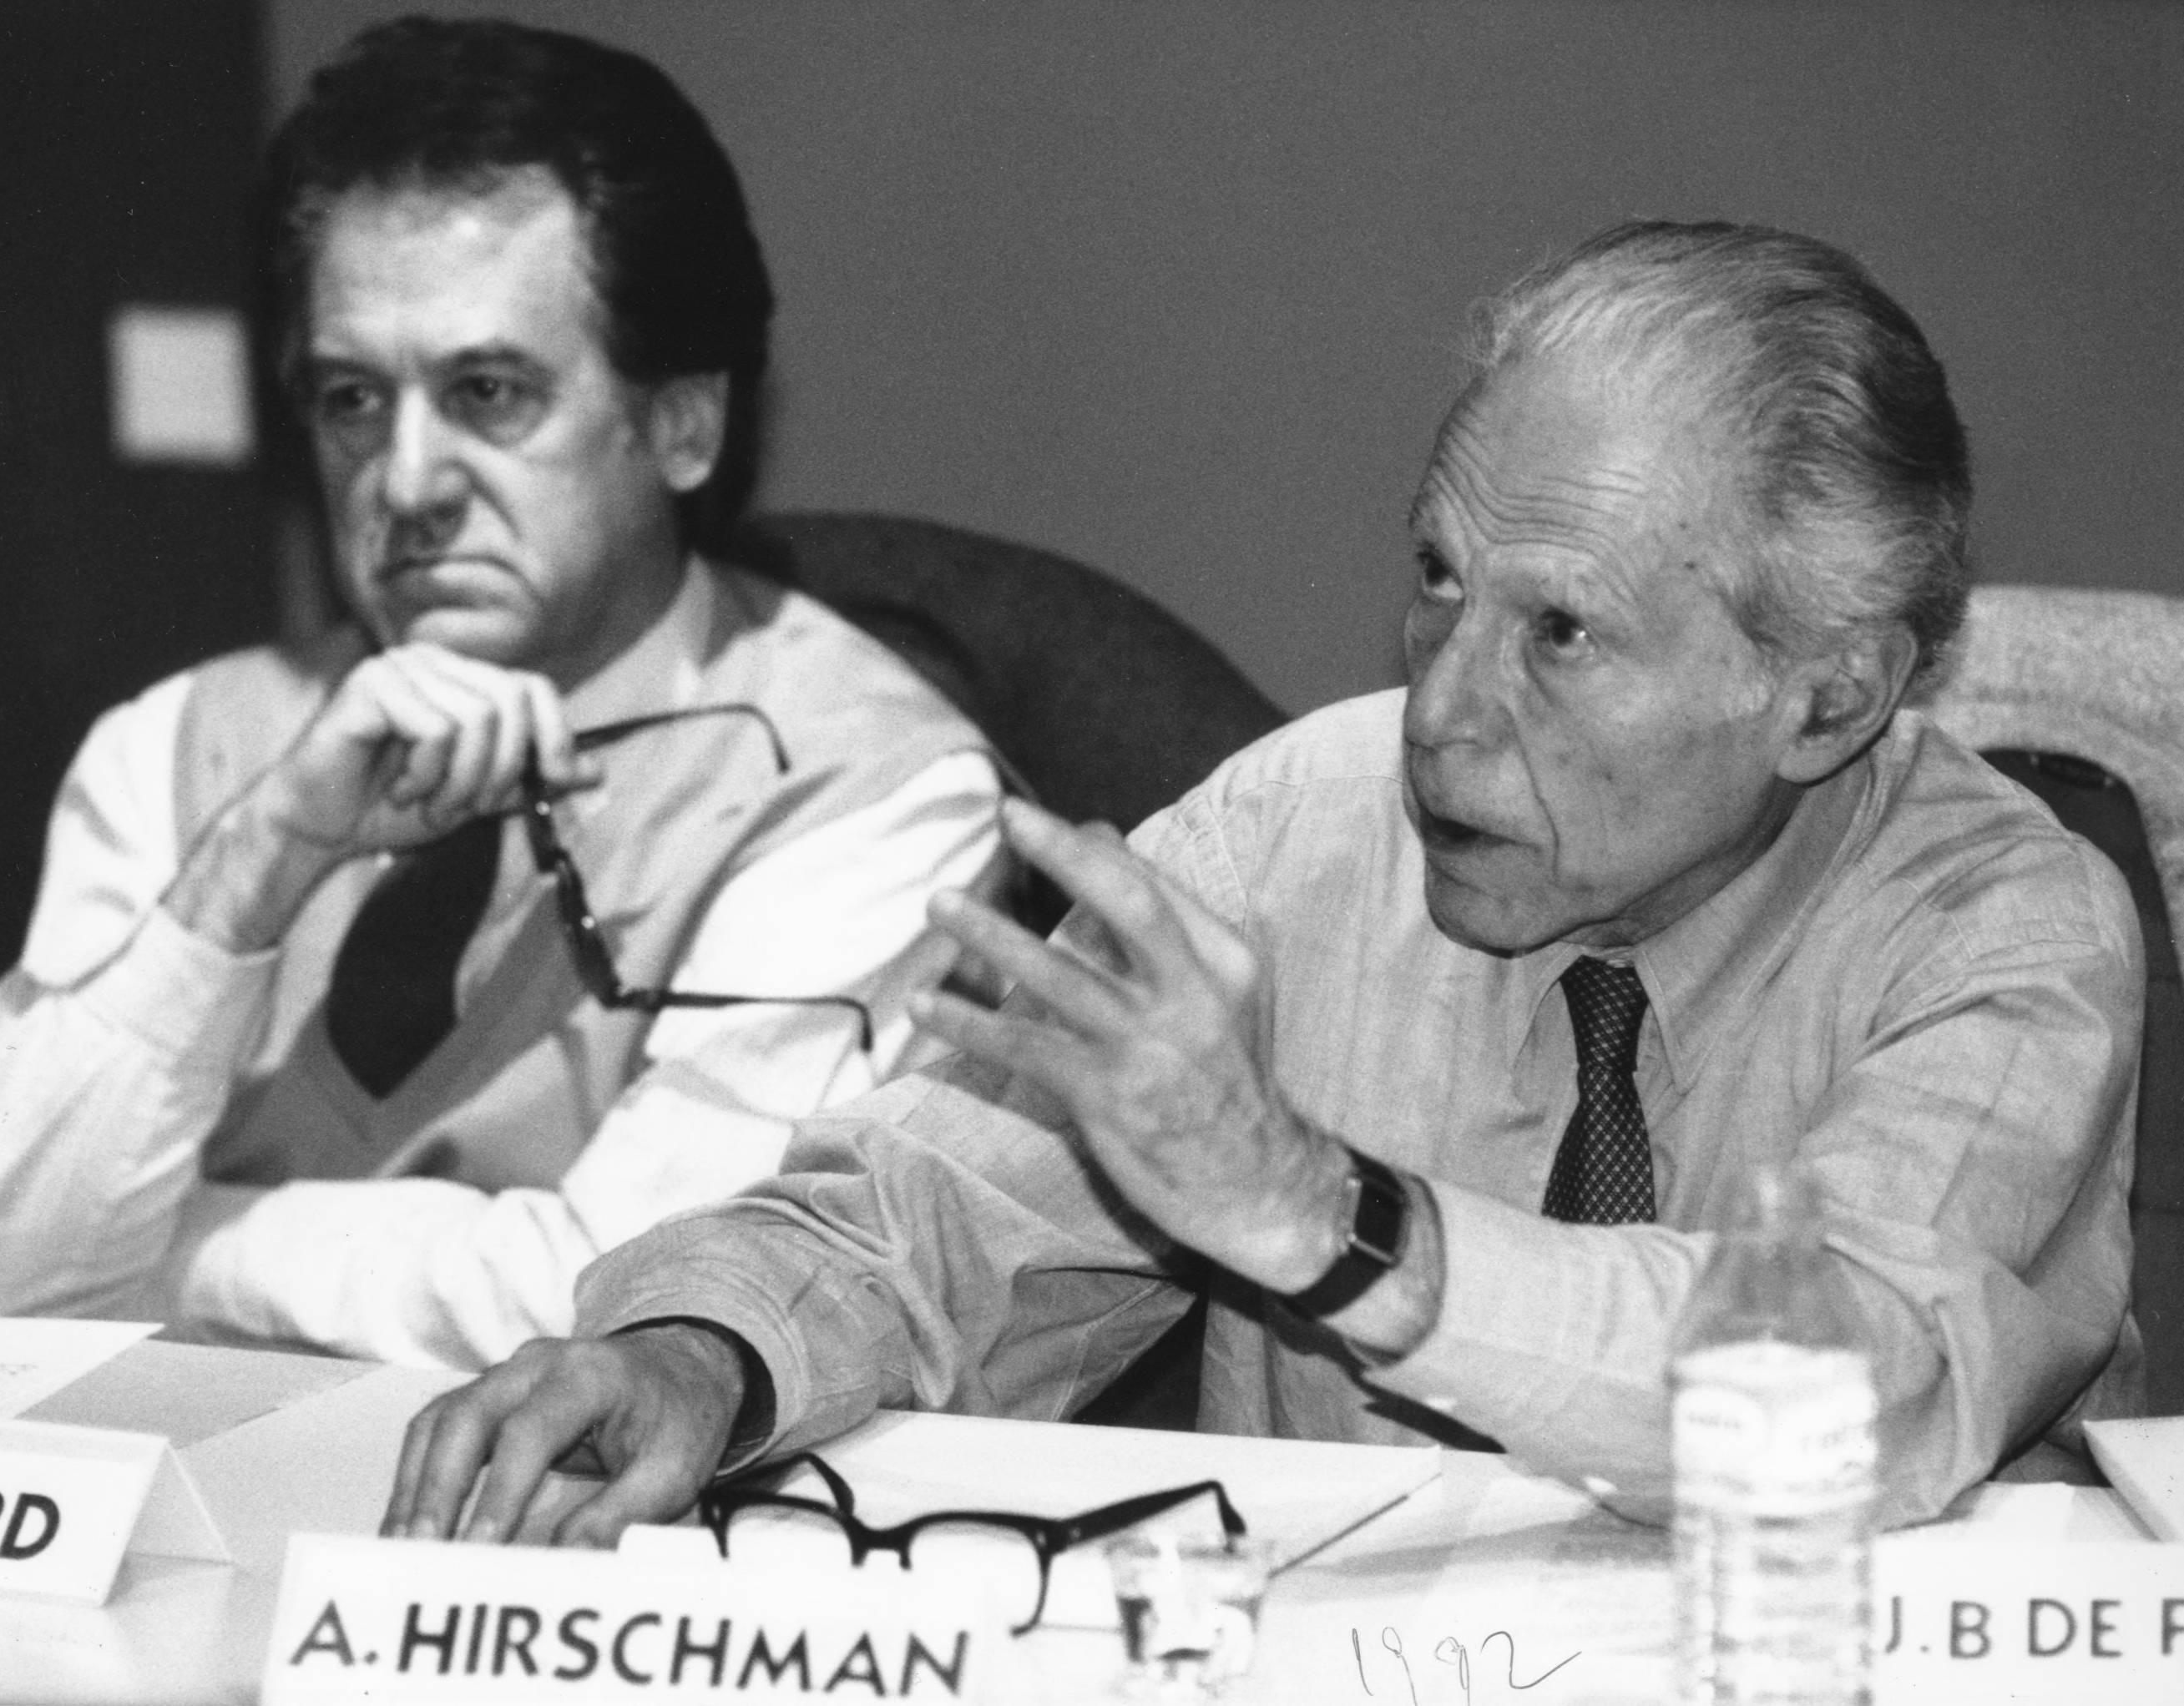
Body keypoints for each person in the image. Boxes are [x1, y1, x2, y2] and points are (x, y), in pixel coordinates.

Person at [384, 220, 2146, 1543]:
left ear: (1825, 697)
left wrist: (1324, 1216)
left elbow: (1830, 1400)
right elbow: (925, 1219)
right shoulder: (1297, 826)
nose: (1440, 711)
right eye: (1439, 578)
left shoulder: (2004, 927)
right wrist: (696, 1357)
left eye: (1560, 632)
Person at [0, 18, 1006, 1368]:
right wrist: (256, 864)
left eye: (488, 391)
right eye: (353, 399)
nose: (405, 483)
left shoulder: (869, 792)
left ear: (684, 423)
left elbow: (642, 1308)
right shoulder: (176, 749)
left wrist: (154, 1253)